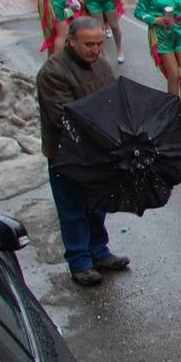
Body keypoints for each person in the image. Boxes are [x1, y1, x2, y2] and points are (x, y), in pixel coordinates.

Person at [36, 16, 130, 288]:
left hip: (97, 152)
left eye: (99, 43)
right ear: (72, 41)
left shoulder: (100, 65)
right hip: (66, 154)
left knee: (96, 205)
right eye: (89, 44)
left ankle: (100, 252)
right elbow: (62, 118)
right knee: (73, 209)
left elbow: (111, 102)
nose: (96, 50)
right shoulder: (53, 72)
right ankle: (80, 262)